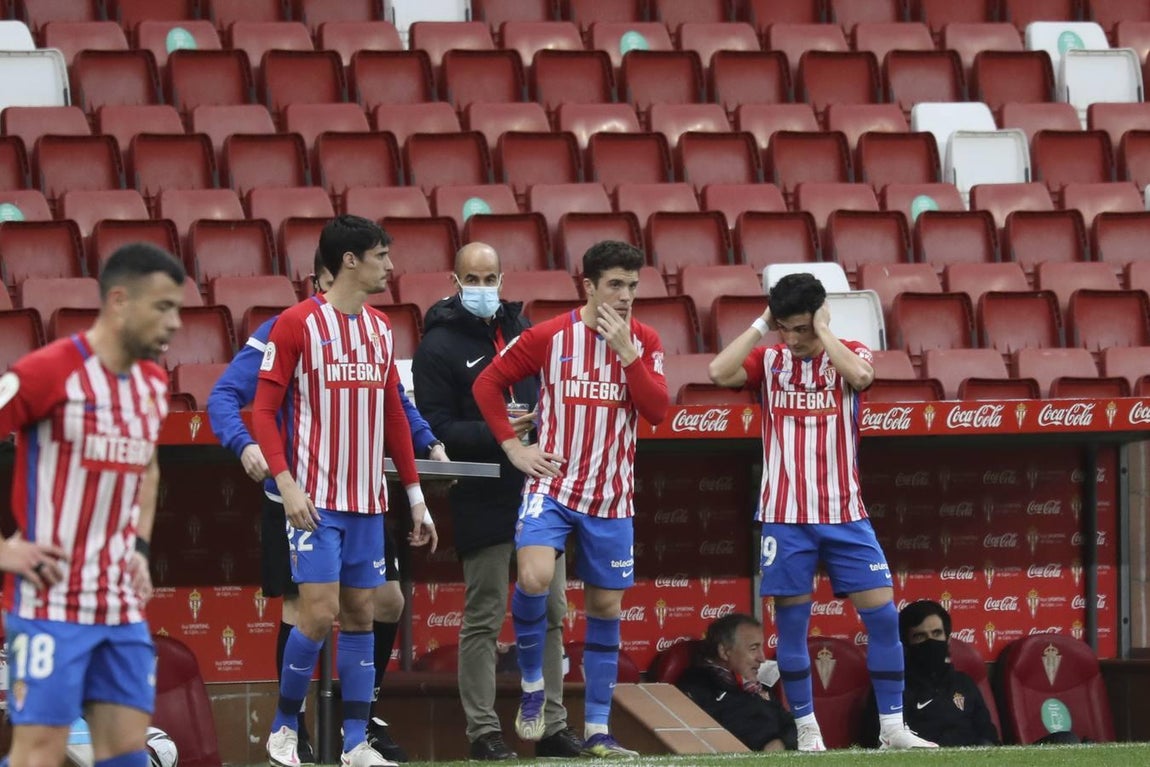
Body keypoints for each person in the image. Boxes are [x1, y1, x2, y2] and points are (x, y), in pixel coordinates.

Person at [207, 254, 445, 764]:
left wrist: (428, 445)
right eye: (379, 257)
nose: (386, 268)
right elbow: (227, 395)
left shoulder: (376, 329)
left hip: (362, 493)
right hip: (296, 494)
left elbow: (394, 403)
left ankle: (358, 726)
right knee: (308, 610)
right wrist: (245, 444)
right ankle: (292, 728)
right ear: (328, 274)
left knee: (383, 603)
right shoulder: (285, 328)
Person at [708, 272, 936, 752]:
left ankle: (893, 728)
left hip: (844, 512)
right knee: (792, 626)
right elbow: (717, 373)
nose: (792, 340)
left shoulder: (847, 352)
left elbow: (862, 377)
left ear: (819, 318)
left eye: (801, 329)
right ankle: (808, 728)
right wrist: (761, 322)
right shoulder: (769, 359)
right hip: (786, 515)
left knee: (882, 617)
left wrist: (825, 330)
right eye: (784, 329)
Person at [473, 240, 669, 758]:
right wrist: (515, 449)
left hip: (612, 496)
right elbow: (488, 383)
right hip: (553, 486)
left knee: (604, 607)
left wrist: (629, 355)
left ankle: (600, 731)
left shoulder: (645, 340)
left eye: (632, 286)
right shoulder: (551, 335)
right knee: (535, 577)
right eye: (615, 285)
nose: (626, 296)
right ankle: (535, 687)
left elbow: (657, 411)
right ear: (588, 286)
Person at [0, 243, 185, 767]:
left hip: (120, 605)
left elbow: (147, 469)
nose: (174, 323)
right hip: (49, 605)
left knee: (128, 752)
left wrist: (142, 549)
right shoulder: (48, 372)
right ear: (120, 301)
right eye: (163, 307)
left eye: (179, 310)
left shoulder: (152, 384)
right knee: (40, 753)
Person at [412, 242, 579, 761]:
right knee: (485, 613)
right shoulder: (437, 346)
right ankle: (483, 732)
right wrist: (499, 430)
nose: (483, 288)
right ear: (455, 280)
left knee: (550, 610)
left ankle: (552, 725)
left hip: (538, 493)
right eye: (473, 279)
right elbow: (435, 428)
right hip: (482, 491)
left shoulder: (525, 332)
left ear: (503, 278)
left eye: (491, 278)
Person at [862, 600, 1001, 748]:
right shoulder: (891, 691)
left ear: (947, 639)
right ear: (906, 643)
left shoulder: (965, 683)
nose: (930, 642)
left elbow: (988, 734)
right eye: (920, 636)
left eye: (937, 633)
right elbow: (884, 743)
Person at [675, 614, 797, 752]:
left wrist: (780, 742)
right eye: (753, 648)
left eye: (761, 648)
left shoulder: (753, 685)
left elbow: (795, 725)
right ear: (724, 652)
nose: (762, 658)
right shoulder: (698, 683)